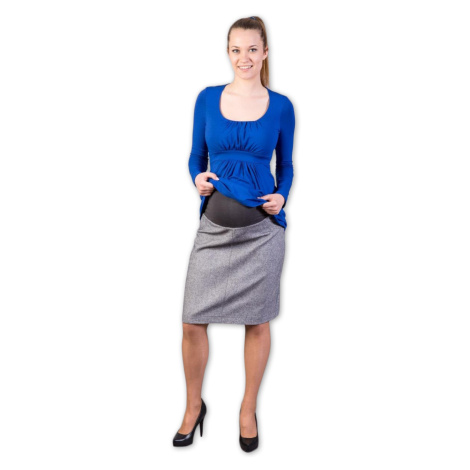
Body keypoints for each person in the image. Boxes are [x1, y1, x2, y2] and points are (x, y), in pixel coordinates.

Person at [173, 16, 296, 452]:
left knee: (257, 322)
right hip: (214, 229)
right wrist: (197, 178)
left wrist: (282, 195)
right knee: (192, 322)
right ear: (228, 53)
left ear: (265, 53)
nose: (244, 58)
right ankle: (194, 406)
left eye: (252, 49)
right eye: (236, 50)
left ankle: (247, 410)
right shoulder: (207, 99)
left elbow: (287, 165)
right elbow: (196, 156)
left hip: (262, 234)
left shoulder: (281, 106)